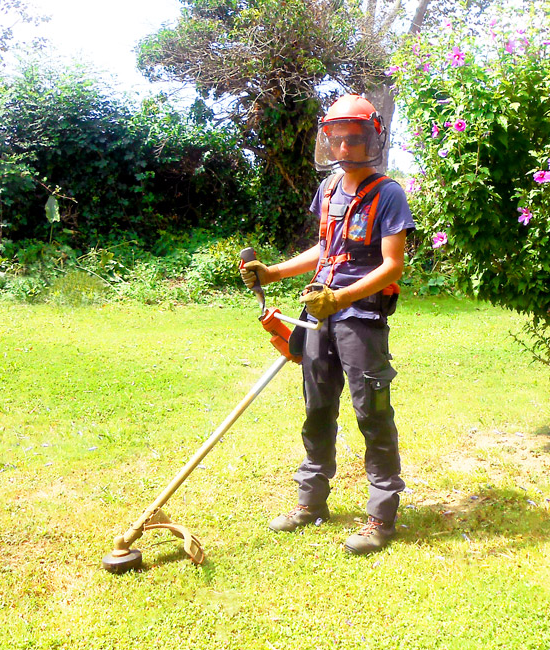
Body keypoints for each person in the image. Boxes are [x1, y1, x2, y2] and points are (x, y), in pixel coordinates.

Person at [240, 94, 414, 554]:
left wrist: (341, 297)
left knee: (371, 413)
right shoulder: (331, 190)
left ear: (371, 139)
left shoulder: (388, 193)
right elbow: (325, 249)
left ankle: (381, 516)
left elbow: (392, 265)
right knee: (318, 409)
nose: (344, 148)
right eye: (336, 140)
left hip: (360, 318)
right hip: (318, 315)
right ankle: (311, 504)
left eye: (353, 139)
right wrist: (274, 272)